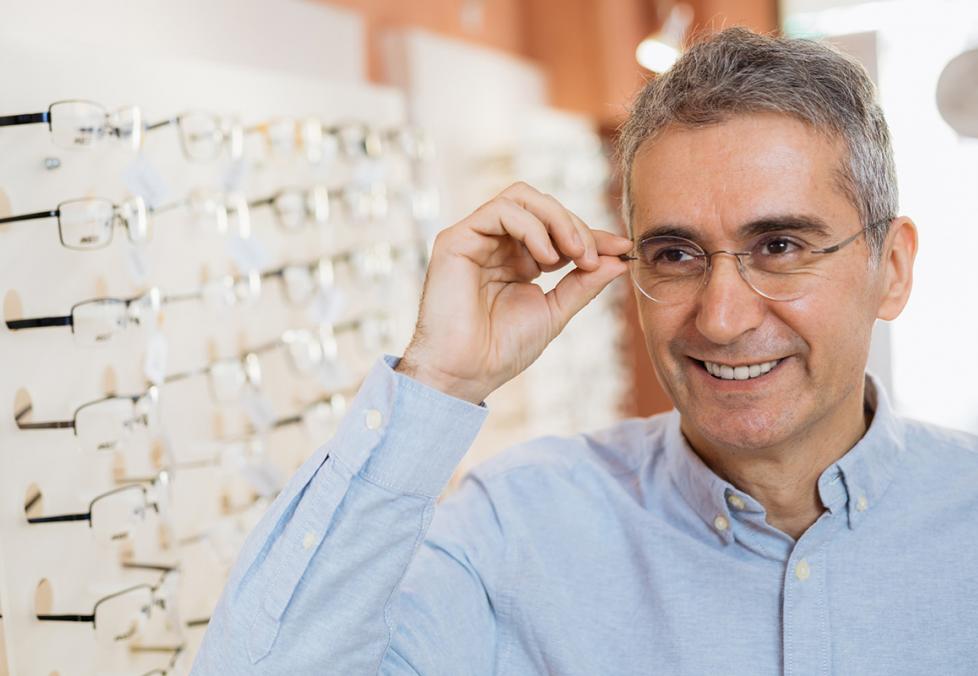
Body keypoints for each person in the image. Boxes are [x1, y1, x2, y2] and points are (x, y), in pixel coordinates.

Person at [191, 27, 978, 675]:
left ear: (893, 269)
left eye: (778, 245)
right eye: (674, 254)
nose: (725, 317)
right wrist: (439, 380)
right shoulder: (516, 529)